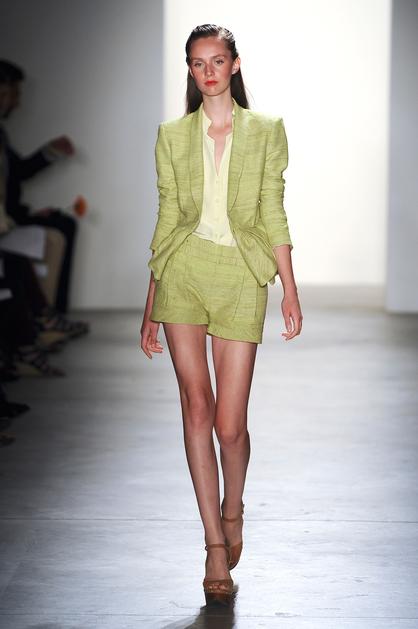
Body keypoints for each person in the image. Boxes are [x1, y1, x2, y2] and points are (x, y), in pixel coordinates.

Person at [140, 24, 303, 606]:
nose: (207, 72)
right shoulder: (171, 136)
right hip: (182, 272)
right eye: (197, 63)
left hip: (240, 275)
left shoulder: (266, 130)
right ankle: (213, 543)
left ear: (234, 64)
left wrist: (289, 288)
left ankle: (234, 507)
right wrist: (151, 302)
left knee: (230, 426)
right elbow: (167, 218)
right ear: (190, 70)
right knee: (196, 407)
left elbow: (272, 210)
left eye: (216, 61)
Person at [0, 59, 79, 314]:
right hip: (7, 222)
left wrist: (49, 152)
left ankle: (52, 315)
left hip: (10, 218)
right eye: (14, 94)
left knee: (64, 224)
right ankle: (47, 317)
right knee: (57, 234)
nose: (17, 102)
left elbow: (16, 173)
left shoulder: (2, 135)